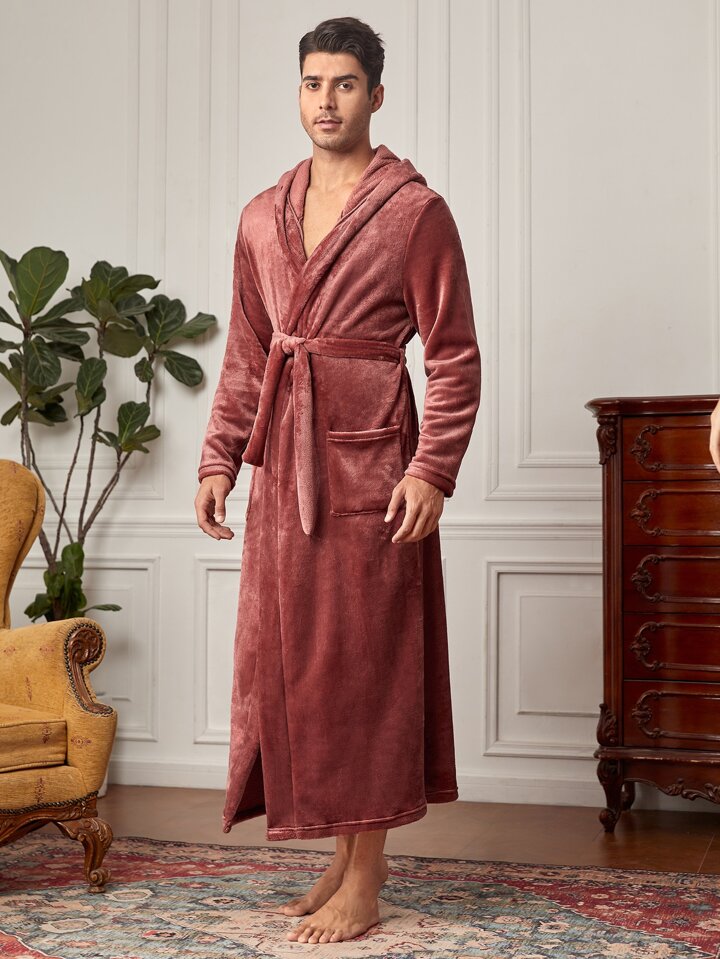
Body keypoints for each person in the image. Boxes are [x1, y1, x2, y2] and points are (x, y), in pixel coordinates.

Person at [194, 15, 482, 946]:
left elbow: (455, 355)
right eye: (314, 83)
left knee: (367, 667)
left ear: (376, 96)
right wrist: (219, 460)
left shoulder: (414, 212)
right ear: (299, 93)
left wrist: (432, 469)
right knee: (306, 670)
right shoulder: (261, 215)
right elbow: (248, 354)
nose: (327, 101)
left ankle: (368, 875)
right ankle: (342, 858)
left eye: (346, 84)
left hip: (374, 467)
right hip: (285, 476)